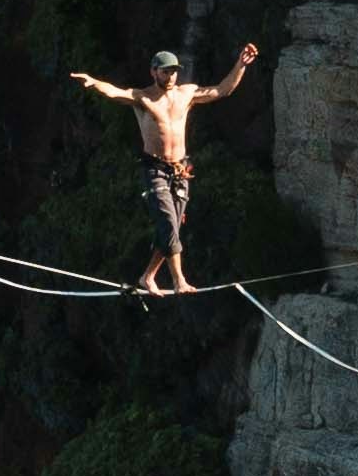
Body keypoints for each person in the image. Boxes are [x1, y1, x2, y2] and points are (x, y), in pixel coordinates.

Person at [71, 40, 257, 296]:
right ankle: (179, 280)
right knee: (169, 224)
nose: (170, 76)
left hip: (181, 170)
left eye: (174, 71)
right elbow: (115, 92)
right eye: (165, 71)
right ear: (154, 71)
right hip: (154, 168)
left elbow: (222, 90)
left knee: (171, 229)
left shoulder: (186, 94)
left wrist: (240, 65)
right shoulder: (143, 98)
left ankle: (148, 276)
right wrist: (93, 82)